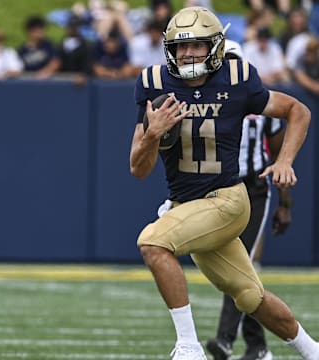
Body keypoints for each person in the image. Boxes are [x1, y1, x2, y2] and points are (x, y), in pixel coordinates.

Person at [129, 6, 317, 360]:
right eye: (180, 47)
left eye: (196, 46)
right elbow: (138, 169)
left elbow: (298, 111)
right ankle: (313, 351)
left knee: (153, 243)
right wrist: (151, 135)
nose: (186, 54)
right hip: (189, 206)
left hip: (228, 201)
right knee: (250, 296)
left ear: (215, 46)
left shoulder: (238, 78)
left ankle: (188, 346)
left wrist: (285, 160)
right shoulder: (154, 83)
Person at [205, 39, 292, 360]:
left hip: (254, 188)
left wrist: (285, 202)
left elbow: (280, 152)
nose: (228, 67)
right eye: (223, 61)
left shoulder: (257, 99)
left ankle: (225, 339)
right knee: (235, 267)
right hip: (220, 188)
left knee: (239, 261)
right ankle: (257, 345)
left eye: (233, 61)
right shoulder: (206, 100)